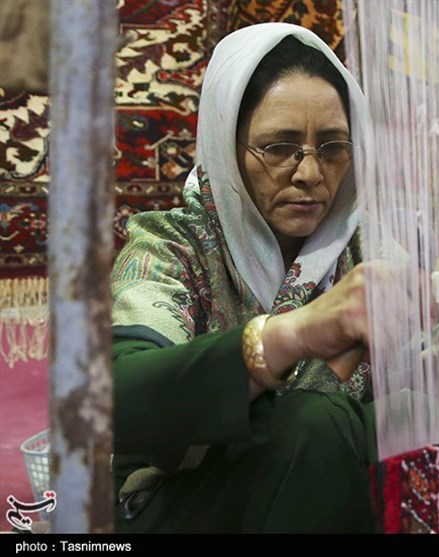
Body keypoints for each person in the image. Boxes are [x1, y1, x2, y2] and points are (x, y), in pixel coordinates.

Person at [110, 22, 397, 533]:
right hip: (186, 506)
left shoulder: (363, 251)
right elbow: (119, 400)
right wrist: (292, 335)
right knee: (315, 427)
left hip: (320, 495)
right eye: (279, 147)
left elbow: (425, 386)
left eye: (333, 147)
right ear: (226, 145)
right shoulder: (170, 248)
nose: (310, 173)